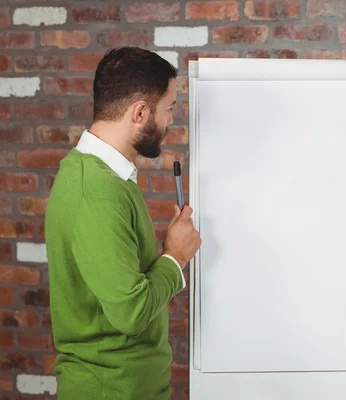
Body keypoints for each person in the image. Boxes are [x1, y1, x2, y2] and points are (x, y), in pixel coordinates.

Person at [45, 47, 201, 400]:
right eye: (169, 109)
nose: (171, 120)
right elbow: (130, 313)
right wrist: (176, 257)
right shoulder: (96, 190)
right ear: (141, 112)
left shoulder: (107, 178)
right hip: (110, 391)